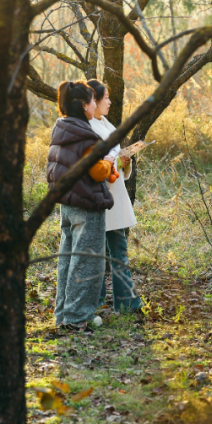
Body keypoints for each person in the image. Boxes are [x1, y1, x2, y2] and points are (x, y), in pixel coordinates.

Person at [48, 81, 115, 330]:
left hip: (68, 204)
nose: (96, 105)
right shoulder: (84, 134)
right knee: (87, 261)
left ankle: (64, 315)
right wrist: (108, 161)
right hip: (87, 205)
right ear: (85, 105)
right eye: (93, 101)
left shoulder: (63, 129)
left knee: (68, 260)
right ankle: (76, 320)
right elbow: (97, 172)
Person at [87, 79, 144, 315]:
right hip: (100, 195)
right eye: (106, 98)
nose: (110, 101)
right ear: (94, 101)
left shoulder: (106, 123)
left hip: (116, 193)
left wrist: (125, 160)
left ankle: (125, 301)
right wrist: (117, 160)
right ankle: (98, 300)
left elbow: (114, 157)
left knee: (118, 248)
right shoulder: (87, 127)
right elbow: (97, 164)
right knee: (98, 252)